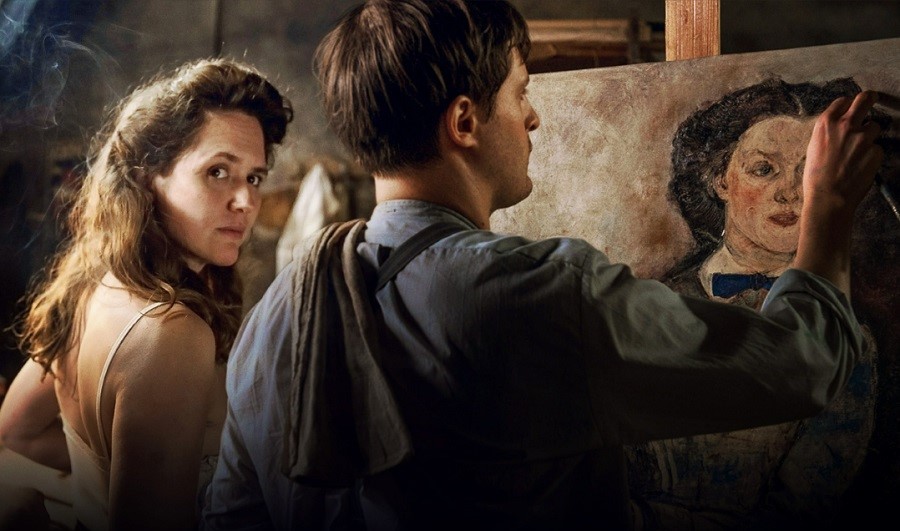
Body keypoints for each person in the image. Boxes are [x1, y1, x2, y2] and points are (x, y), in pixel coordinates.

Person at [201, 1, 883, 529]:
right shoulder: (538, 293)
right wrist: (827, 209)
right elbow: (806, 362)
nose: (531, 119)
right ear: (464, 122)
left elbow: (230, 516)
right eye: (520, 92)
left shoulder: (276, 316)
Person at [0, 57, 292, 531]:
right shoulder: (172, 334)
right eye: (218, 171)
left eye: (254, 177)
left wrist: (103, 487)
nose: (246, 201)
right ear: (146, 177)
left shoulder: (91, 289)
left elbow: (18, 431)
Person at [626, 77, 886, 529]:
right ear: (719, 179)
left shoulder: (851, 342)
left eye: (810, 172)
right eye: (764, 169)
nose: (790, 192)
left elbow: (808, 505)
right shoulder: (646, 309)